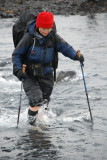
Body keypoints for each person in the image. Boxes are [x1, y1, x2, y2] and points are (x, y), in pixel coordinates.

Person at [12, 11, 84, 125]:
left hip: (47, 73)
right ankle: (32, 127)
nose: (46, 31)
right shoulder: (29, 38)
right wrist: (18, 70)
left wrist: (76, 56)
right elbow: (17, 54)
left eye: (48, 28)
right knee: (36, 100)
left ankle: (40, 125)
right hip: (29, 74)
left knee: (44, 102)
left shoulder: (53, 37)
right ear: (38, 25)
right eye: (43, 28)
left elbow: (65, 47)